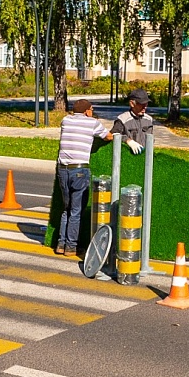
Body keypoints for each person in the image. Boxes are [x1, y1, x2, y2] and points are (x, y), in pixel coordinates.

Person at [55, 99, 113, 258]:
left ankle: (61, 244)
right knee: (76, 210)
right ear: (87, 111)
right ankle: (71, 247)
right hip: (79, 170)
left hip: (63, 170)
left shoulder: (65, 120)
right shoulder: (92, 123)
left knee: (66, 208)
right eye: (92, 109)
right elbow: (108, 136)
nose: (93, 112)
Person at [111, 88, 153, 154]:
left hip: (145, 156)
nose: (145, 107)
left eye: (146, 104)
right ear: (132, 104)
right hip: (128, 156)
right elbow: (113, 134)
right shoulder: (122, 119)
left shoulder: (149, 119)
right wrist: (128, 140)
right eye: (141, 104)